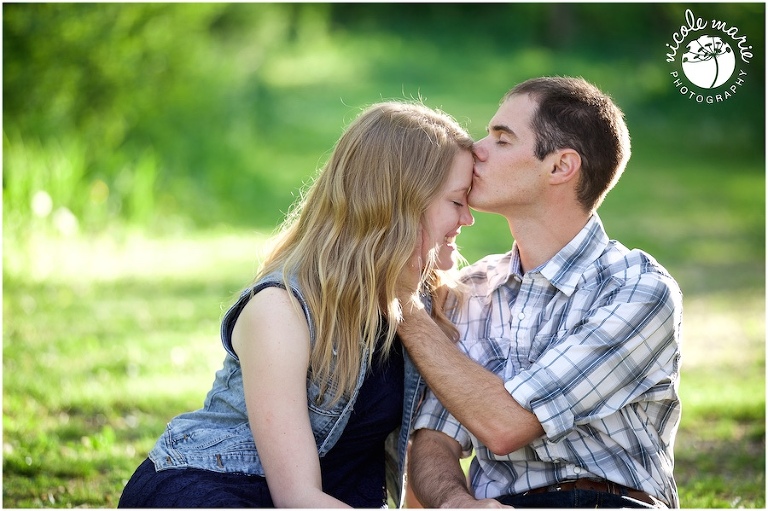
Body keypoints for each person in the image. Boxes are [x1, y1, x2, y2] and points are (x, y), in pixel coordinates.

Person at [118, 100, 475, 508]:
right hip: (216, 491)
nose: (468, 219)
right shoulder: (281, 309)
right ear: (402, 204)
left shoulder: (419, 306)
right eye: (457, 201)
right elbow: (297, 498)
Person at [398, 76, 683, 508]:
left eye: (502, 139)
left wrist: (401, 305)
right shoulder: (471, 289)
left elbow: (506, 425)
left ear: (559, 167)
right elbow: (433, 439)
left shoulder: (637, 290)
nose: (477, 148)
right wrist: (456, 502)